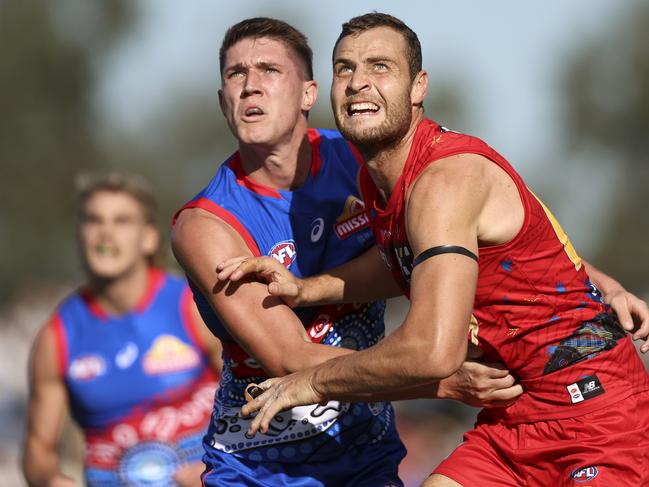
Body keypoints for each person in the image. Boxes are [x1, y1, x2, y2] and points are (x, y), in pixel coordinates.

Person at [225, 13, 649, 486]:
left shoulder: (444, 180)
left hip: (596, 414)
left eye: (380, 67)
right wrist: (307, 290)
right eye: (345, 69)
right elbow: (411, 262)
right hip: (512, 421)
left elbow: (432, 351)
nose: (359, 82)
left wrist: (311, 381)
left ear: (418, 87)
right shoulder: (375, 177)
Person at [171, 17, 523, 487]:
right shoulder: (204, 224)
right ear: (222, 102)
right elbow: (289, 359)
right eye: (235, 75)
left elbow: (479, 228)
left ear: (309, 94)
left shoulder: (362, 160)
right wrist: (441, 382)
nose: (250, 87)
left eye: (269, 71)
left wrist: (596, 282)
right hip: (259, 470)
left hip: (365, 460)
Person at [22, 173, 222, 487]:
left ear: (149, 238)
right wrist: (49, 479)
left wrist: (222, 469)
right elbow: (37, 447)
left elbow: (251, 396)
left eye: (122, 221)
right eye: (93, 220)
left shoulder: (191, 306)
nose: (105, 233)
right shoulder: (57, 335)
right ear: (80, 234)